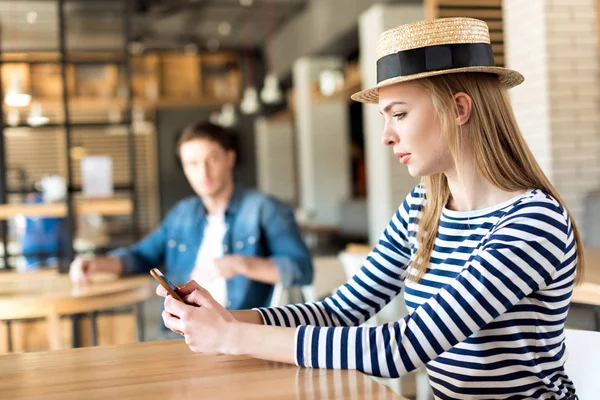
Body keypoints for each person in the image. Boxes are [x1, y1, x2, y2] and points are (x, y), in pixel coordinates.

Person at [156, 18, 583, 399]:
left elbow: (402, 348)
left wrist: (233, 337)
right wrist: (224, 317)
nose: (385, 136)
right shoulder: (425, 205)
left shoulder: (533, 222)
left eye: (398, 114)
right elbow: (338, 312)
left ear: (458, 108)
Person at [70, 120, 313, 310]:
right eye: (192, 164)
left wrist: (237, 263)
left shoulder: (264, 209)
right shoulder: (182, 214)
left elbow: (301, 270)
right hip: (183, 331)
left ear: (230, 158)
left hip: (240, 330)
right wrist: (98, 263)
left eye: (211, 160)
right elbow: (141, 256)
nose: (203, 172)